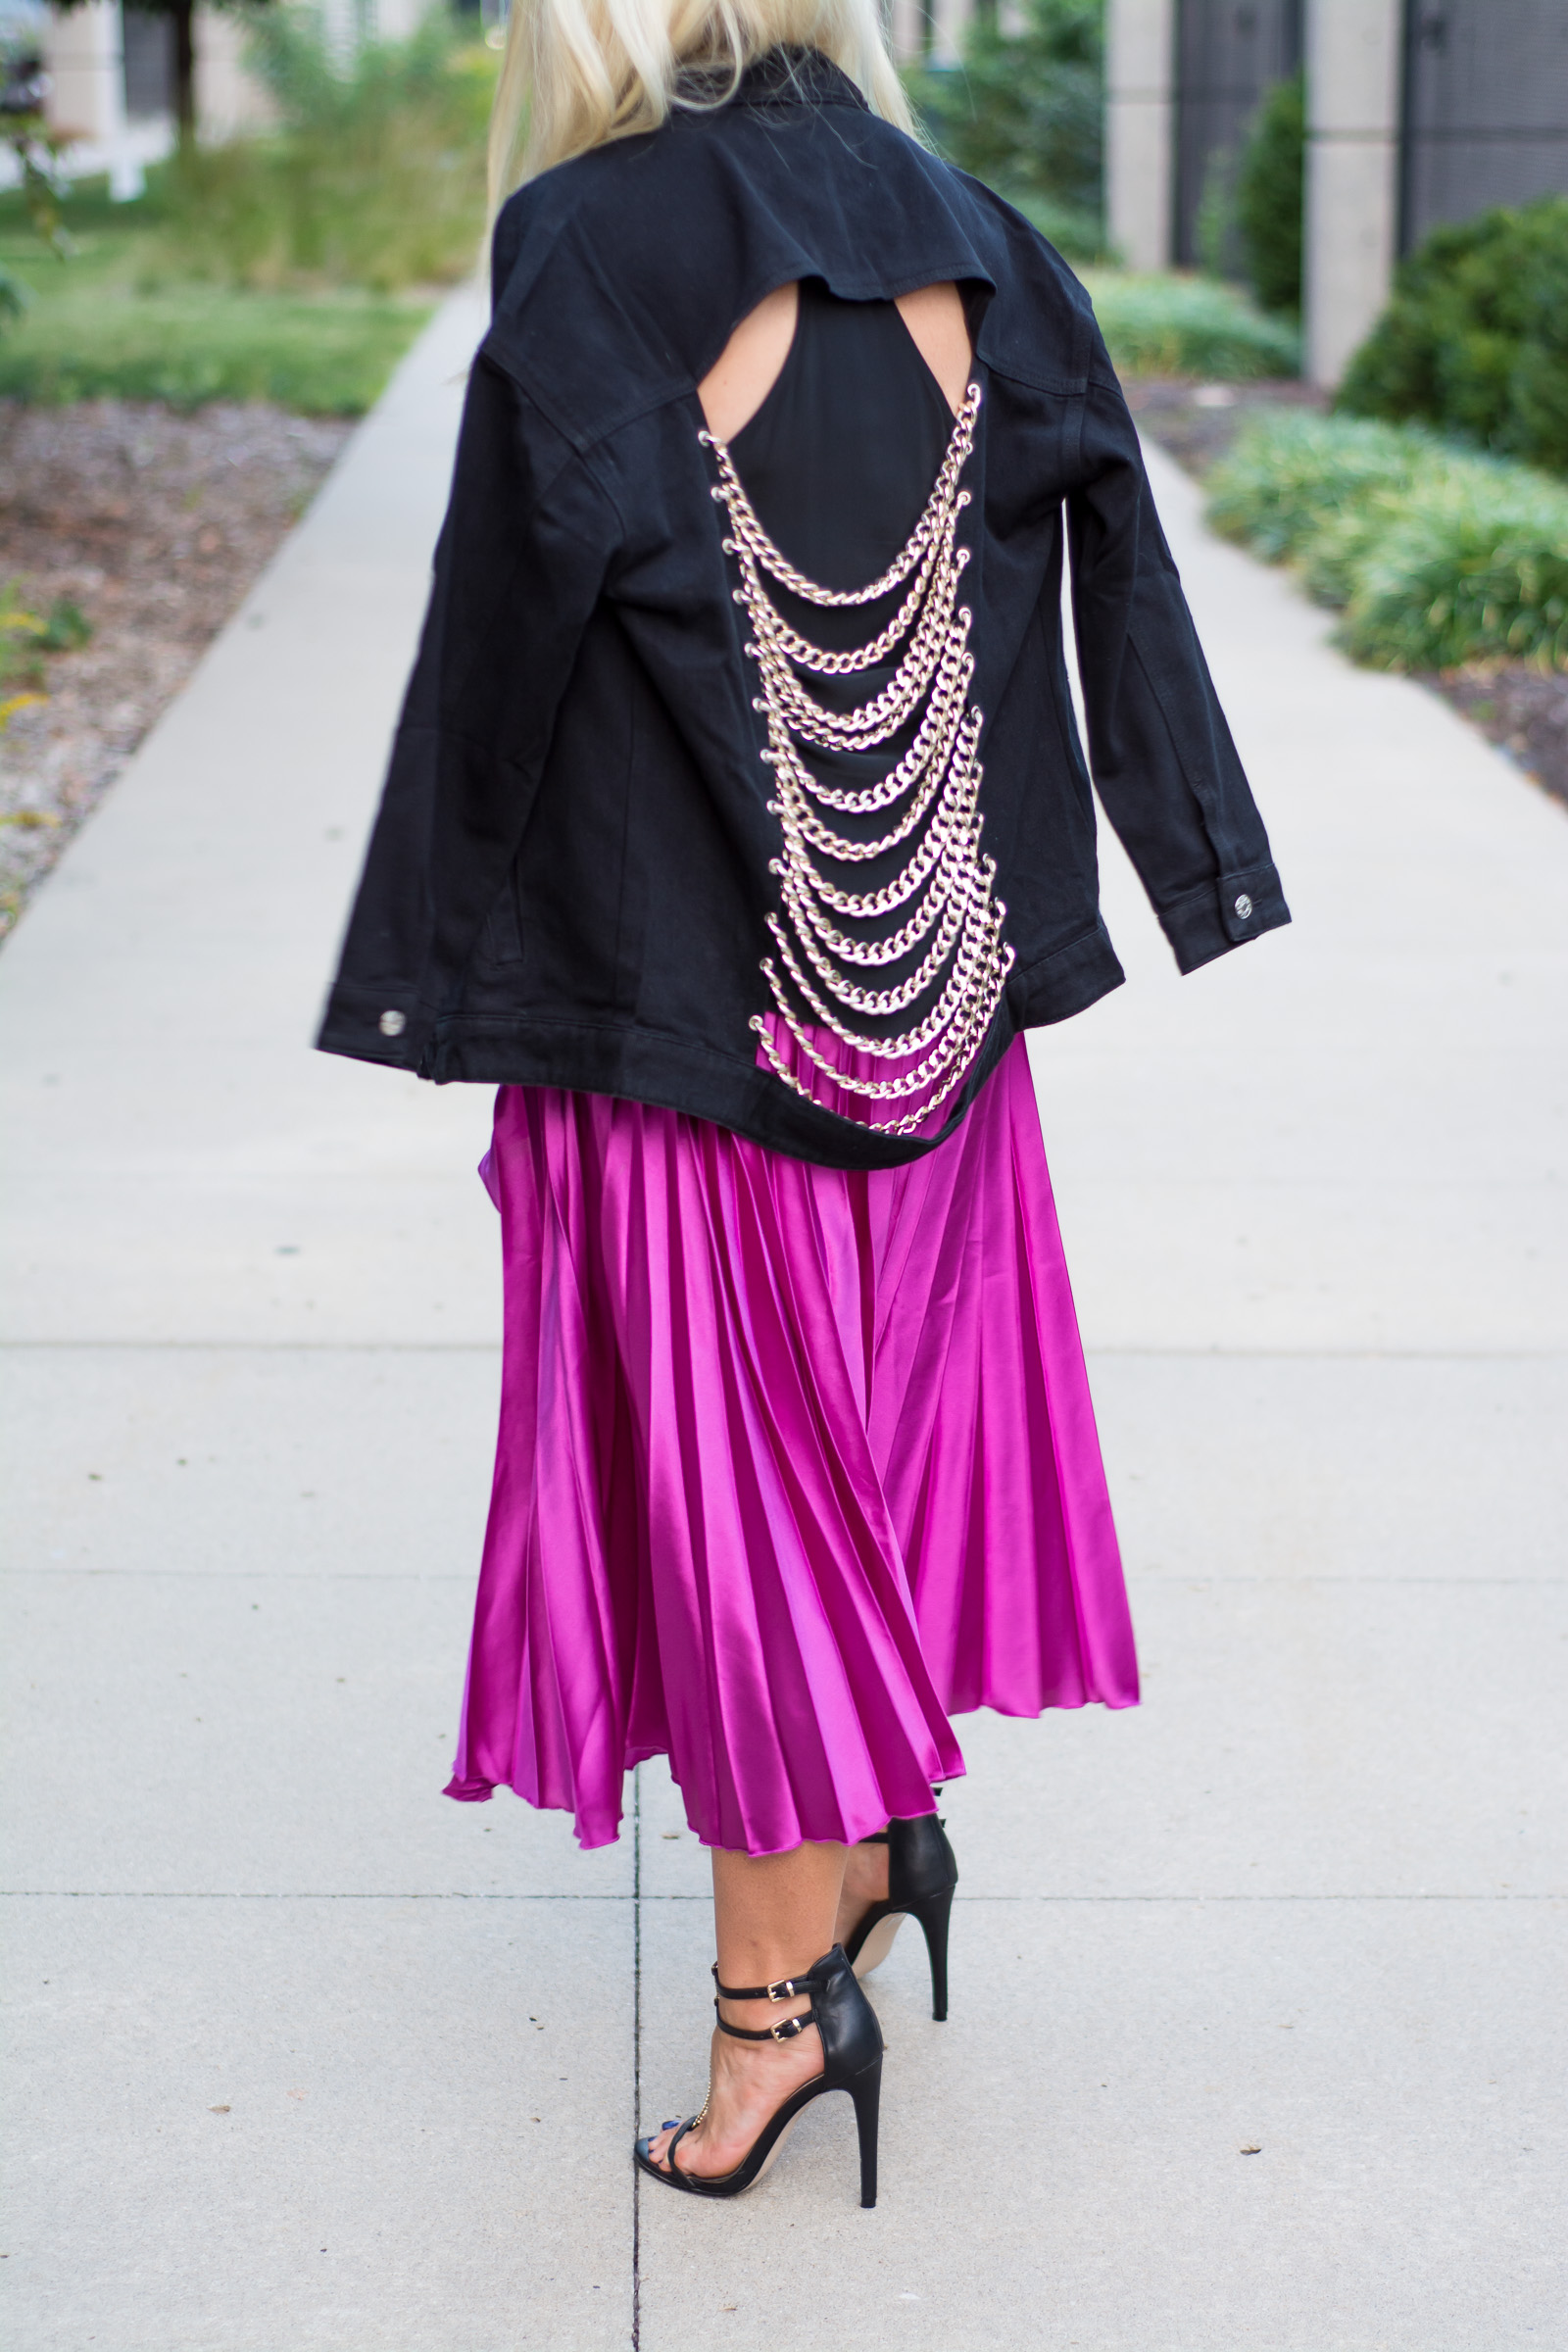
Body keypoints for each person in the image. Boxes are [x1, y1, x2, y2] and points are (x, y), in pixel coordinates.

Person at [317, 0, 1289, 2208]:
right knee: (865, 1462)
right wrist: (1189, 853)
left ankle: (778, 2017)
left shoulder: (586, 242)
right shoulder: (988, 236)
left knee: (741, 1519)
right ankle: (864, 1863)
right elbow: (1113, 562)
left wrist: (427, 969)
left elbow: (499, 641)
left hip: (688, 1014)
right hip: (932, 1004)